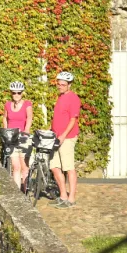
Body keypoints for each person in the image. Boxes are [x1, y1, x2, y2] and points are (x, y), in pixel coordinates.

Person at [50, 71, 81, 208]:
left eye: (63, 84)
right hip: (56, 137)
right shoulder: (60, 97)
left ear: (69, 85)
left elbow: (73, 119)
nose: (60, 86)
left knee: (68, 167)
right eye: (59, 84)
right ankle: (63, 195)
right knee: (54, 166)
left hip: (67, 138)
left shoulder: (73, 98)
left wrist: (63, 135)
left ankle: (71, 198)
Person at [3, 80, 33, 190]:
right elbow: (5, 118)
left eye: (19, 93)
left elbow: (29, 118)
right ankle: (17, 192)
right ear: (11, 93)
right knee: (16, 167)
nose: (16, 95)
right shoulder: (7, 104)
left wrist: (26, 130)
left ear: (22, 93)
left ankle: (25, 190)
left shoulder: (27, 104)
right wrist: (6, 131)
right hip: (12, 138)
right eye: (14, 93)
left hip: (23, 137)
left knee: (24, 167)